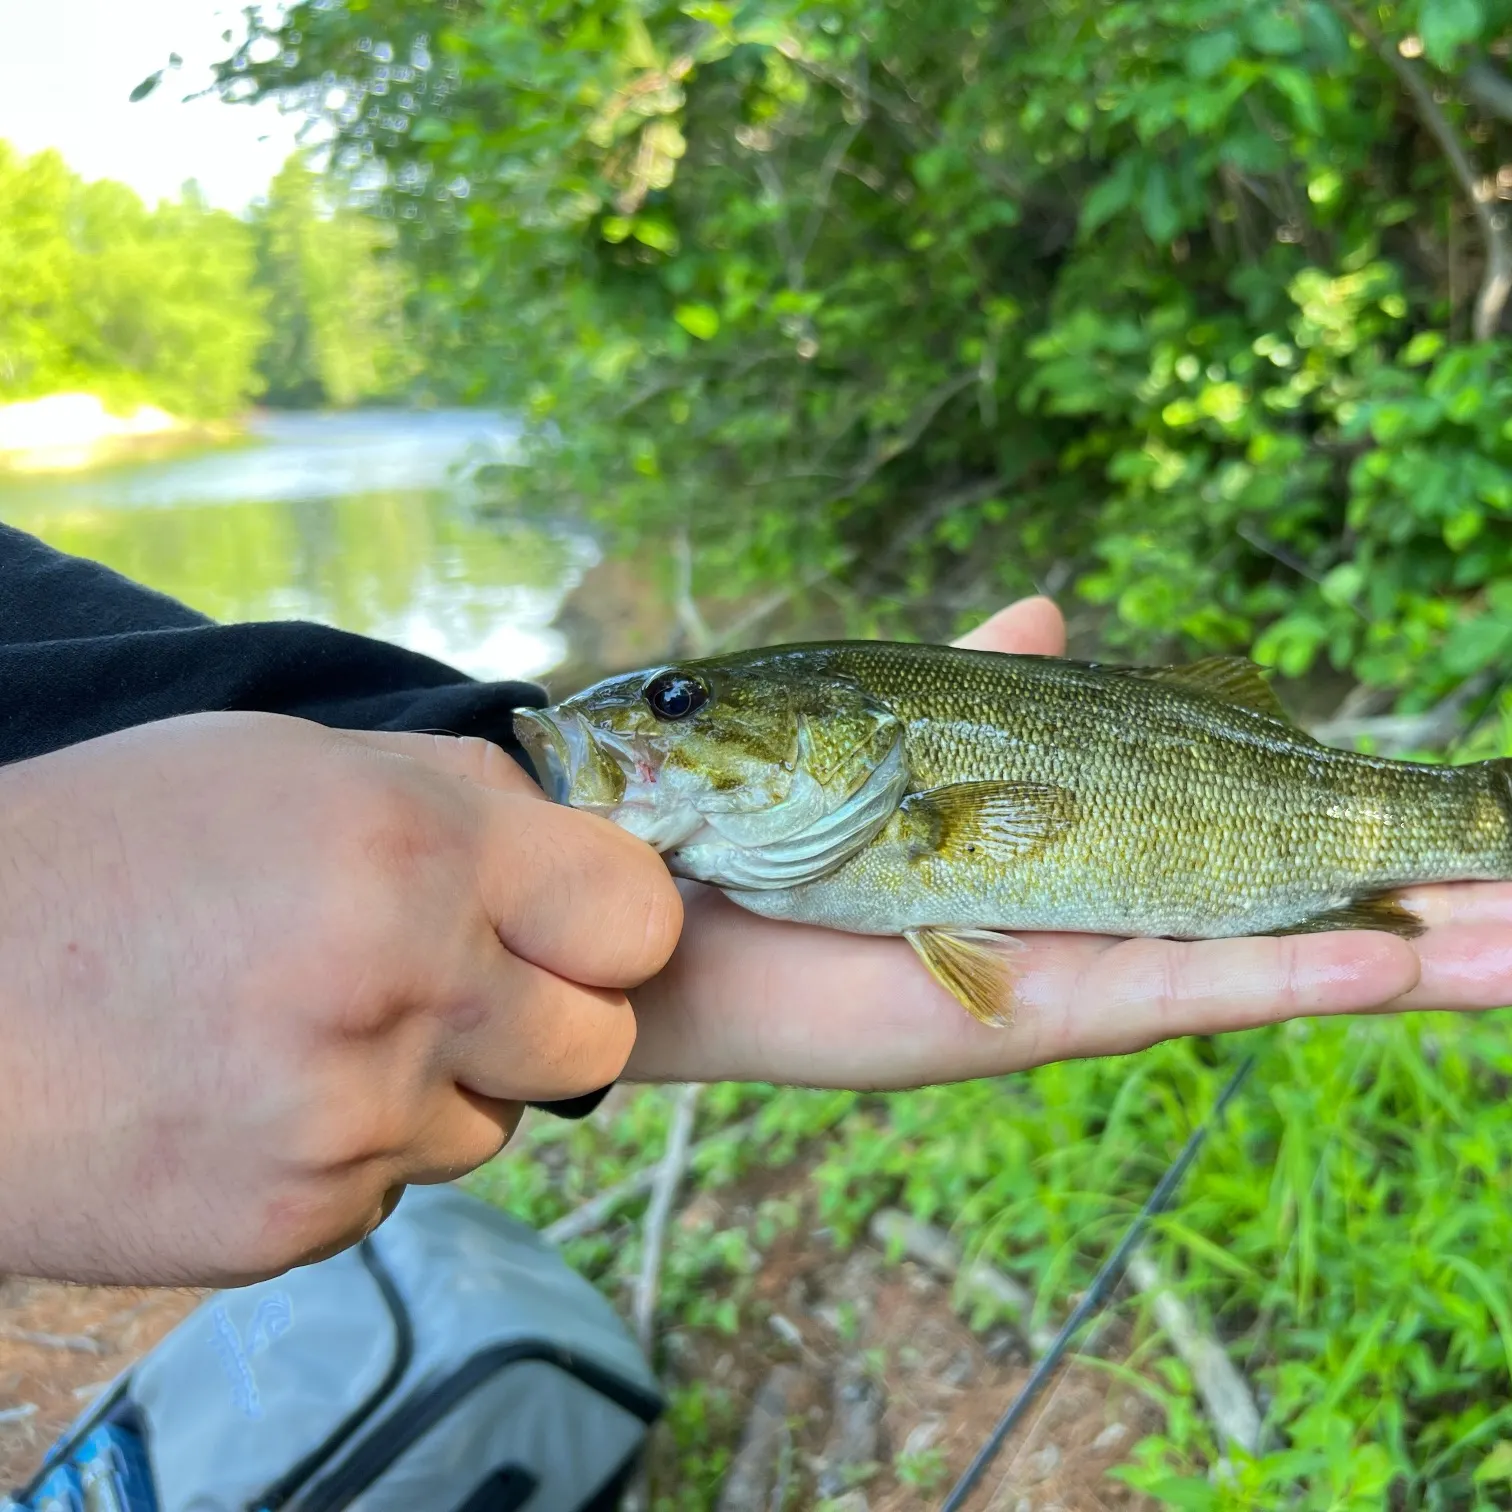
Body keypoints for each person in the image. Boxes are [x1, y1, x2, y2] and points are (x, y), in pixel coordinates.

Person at [0, 523, 1506, 1290]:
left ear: (856, 740)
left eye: (677, 705)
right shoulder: (796, 812)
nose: (636, 724)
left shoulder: (897, 788)